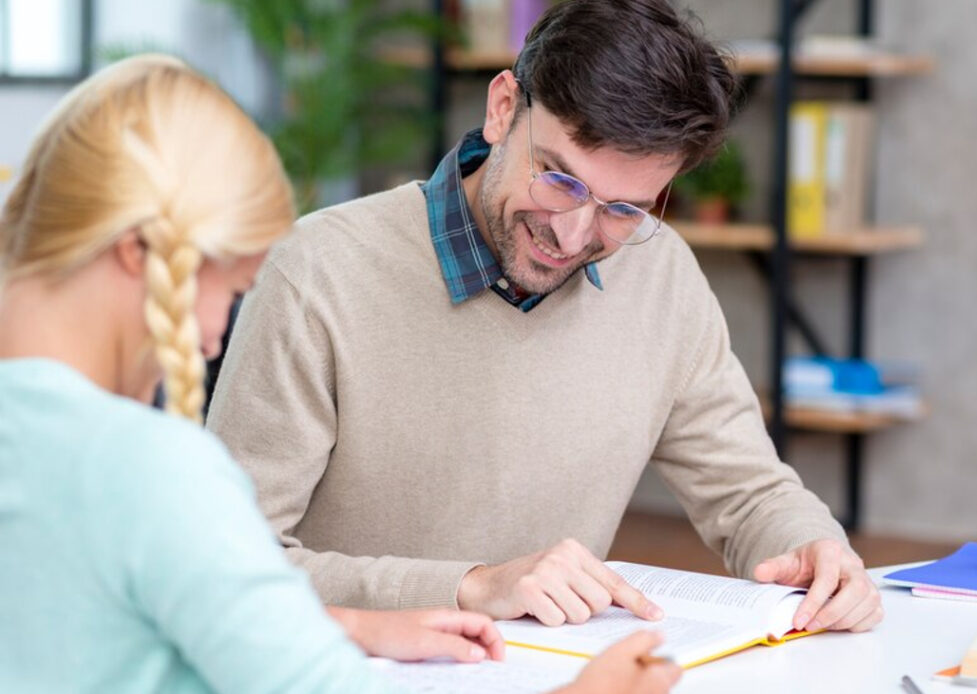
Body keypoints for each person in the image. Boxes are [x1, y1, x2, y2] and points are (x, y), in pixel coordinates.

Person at [0, 54, 681, 694]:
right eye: (232, 285)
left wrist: (345, 624)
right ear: (138, 255)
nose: (214, 335)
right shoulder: (146, 472)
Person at [207, 0, 883, 634]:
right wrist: (471, 587)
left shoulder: (660, 274)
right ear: (503, 108)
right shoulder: (318, 273)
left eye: (624, 209)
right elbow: (228, 567)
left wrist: (812, 548)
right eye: (558, 178)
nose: (571, 233)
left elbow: (748, 492)